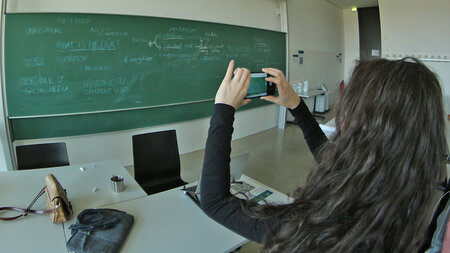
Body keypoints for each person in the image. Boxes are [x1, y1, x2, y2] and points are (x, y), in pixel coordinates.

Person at [200, 58, 447, 252]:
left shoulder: (323, 233)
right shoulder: (397, 202)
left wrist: (223, 108)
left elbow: (215, 202)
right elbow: (335, 163)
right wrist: (295, 104)